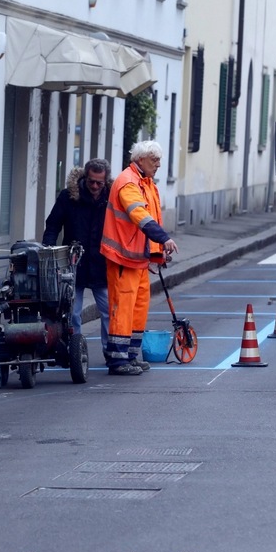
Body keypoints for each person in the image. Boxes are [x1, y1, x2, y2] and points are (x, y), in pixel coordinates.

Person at [100, 140, 179, 376]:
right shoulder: (128, 182)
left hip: (137, 258)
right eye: (154, 160)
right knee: (122, 308)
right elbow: (140, 217)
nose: (158, 165)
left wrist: (155, 255)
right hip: (122, 256)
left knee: (138, 308)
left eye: (159, 161)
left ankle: (130, 356)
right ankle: (117, 360)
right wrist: (164, 239)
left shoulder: (145, 183)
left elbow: (150, 218)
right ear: (140, 160)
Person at [42, 158, 111, 359]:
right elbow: (53, 224)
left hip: (102, 263)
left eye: (100, 182)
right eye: (92, 182)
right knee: (73, 312)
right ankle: (76, 353)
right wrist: (49, 250)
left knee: (109, 312)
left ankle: (110, 351)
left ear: (106, 181)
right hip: (72, 263)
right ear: (85, 178)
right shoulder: (69, 197)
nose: (95, 186)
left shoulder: (112, 198)